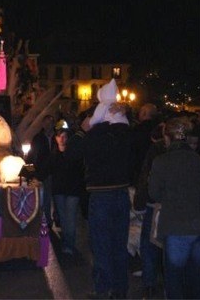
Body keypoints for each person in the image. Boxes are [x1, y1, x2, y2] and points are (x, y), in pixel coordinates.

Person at [66, 79, 133, 299]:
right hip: (121, 193)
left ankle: (103, 288)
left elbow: (72, 154)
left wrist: (81, 132)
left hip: (101, 194)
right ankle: (120, 289)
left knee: (101, 244)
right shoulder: (125, 133)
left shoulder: (94, 134)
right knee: (119, 244)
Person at [149, 117, 200, 299]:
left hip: (176, 226)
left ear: (168, 137)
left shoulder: (161, 161)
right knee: (198, 279)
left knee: (174, 278)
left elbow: (154, 194)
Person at [133, 123, 166, 299]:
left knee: (148, 244)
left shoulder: (156, 151)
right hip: (171, 206)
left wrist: (140, 201)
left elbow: (146, 176)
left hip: (155, 205)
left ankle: (149, 283)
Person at [40, 125, 84, 255]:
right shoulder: (54, 155)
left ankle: (69, 245)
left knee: (70, 219)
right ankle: (66, 242)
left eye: (65, 136)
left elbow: (80, 172)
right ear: (56, 138)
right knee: (64, 218)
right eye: (60, 136)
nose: (63, 139)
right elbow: (45, 170)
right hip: (59, 191)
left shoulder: (74, 154)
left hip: (72, 191)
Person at [28, 114, 57, 227]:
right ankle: (47, 220)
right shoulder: (38, 138)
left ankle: (54, 217)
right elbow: (33, 155)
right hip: (43, 171)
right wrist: (31, 172)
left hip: (55, 171)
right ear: (43, 124)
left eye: (50, 122)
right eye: (46, 123)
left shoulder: (57, 136)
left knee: (54, 196)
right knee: (46, 196)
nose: (48, 125)